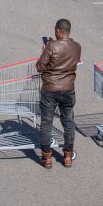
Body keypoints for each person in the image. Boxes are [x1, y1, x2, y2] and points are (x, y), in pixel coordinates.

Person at [36, 18, 81, 169]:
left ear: (57, 31)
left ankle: (47, 158)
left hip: (50, 89)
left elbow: (40, 67)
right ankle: (68, 156)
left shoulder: (51, 46)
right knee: (68, 122)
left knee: (46, 123)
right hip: (68, 89)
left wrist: (45, 51)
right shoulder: (77, 46)